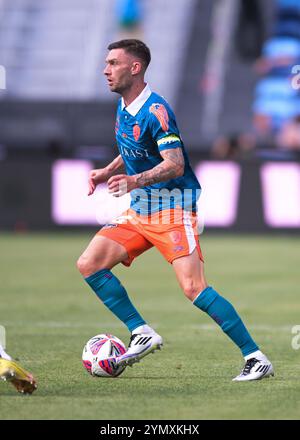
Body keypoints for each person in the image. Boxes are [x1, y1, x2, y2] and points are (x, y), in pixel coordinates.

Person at [77, 39, 274, 381]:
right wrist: (109, 170)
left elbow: (175, 163)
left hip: (172, 210)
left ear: (134, 68)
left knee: (193, 288)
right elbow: (133, 145)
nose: (106, 70)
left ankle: (255, 357)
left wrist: (134, 181)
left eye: (113, 63)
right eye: (106, 64)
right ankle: (140, 331)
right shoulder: (125, 105)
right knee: (90, 264)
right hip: (140, 211)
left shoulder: (157, 110)